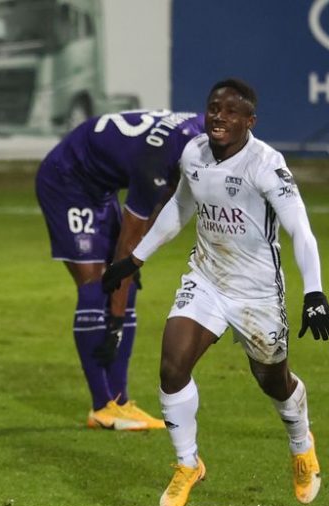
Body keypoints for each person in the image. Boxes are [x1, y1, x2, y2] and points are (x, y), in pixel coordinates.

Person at [102, 78, 329, 506]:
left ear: (250, 121)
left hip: (257, 291)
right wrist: (134, 259)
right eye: (214, 108)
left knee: (272, 380)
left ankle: (301, 444)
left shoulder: (266, 164)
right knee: (172, 366)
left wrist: (315, 292)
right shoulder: (193, 153)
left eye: (231, 112)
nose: (219, 117)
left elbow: (299, 229)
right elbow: (179, 207)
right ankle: (187, 463)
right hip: (206, 277)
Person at [35, 109, 205, 430]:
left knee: (126, 281)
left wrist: (131, 267)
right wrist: (114, 319)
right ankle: (103, 407)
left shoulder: (203, 131)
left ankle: (120, 402)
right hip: (67, 178)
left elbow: (156, 217)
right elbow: (131, 241)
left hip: (100, 185)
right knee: (98, 282)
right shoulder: (154, 166)